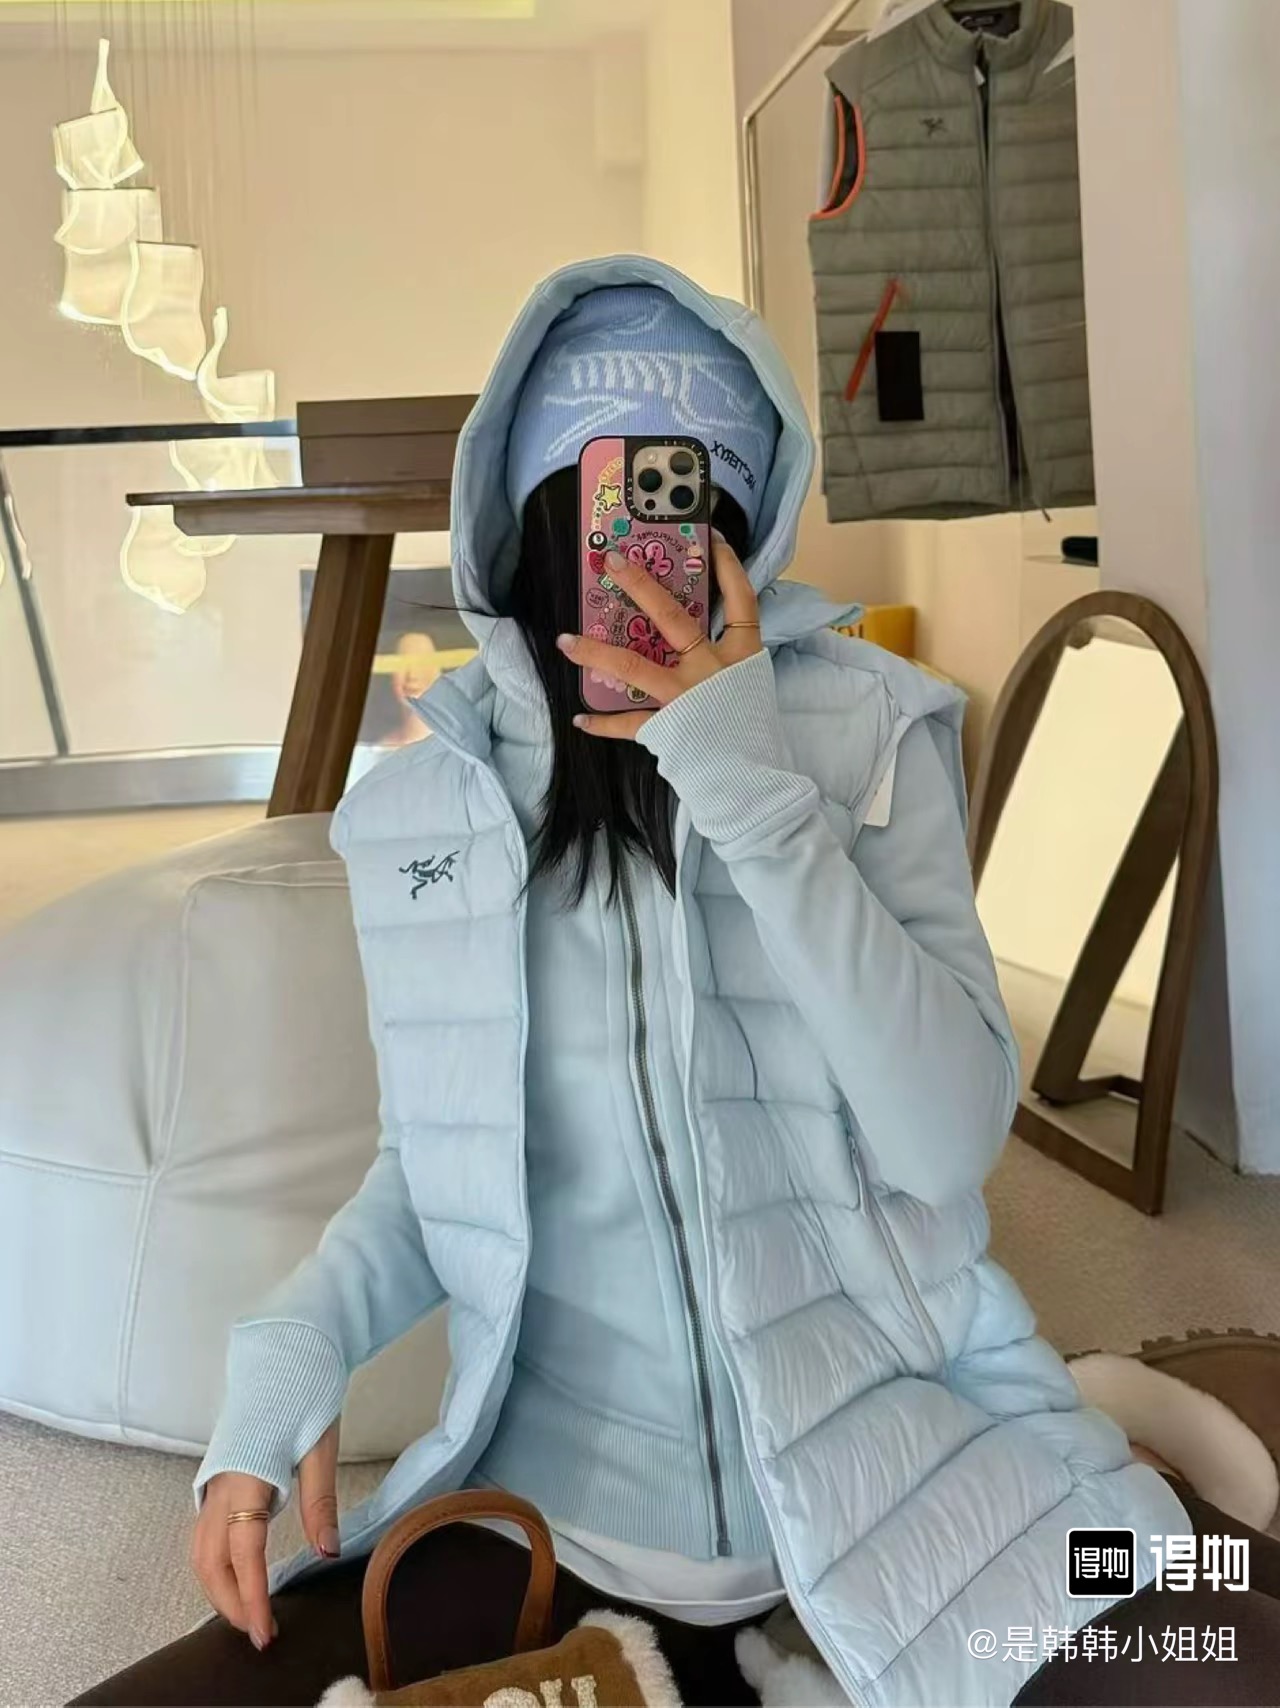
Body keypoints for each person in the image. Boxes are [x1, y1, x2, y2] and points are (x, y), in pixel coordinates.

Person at [78, 260, 1280, 1708]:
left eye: (690, 511)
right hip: (561, 1522)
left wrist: (755, 794)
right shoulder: (421, 814)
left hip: (906, 1463)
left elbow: (946, 1140)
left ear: (745, 520)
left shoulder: (874, 729)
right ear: (532, 526)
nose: (649, 565)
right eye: (607, 517)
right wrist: (294, 1343)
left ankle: (1137, 1462)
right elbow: (437, 1170)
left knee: (1221, 1637)